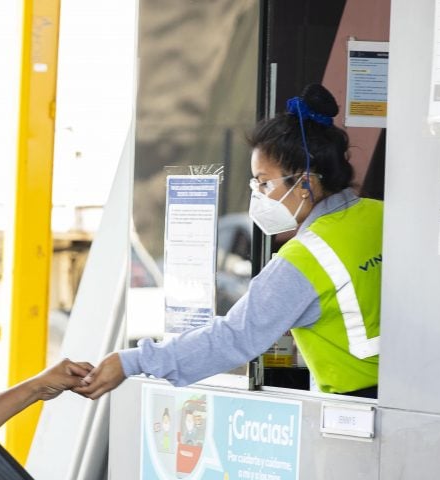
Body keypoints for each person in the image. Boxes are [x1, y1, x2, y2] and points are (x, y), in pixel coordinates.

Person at [78, 83, 382, 400]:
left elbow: (234, 337)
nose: (258, 195)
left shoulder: (307, 257)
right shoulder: (386, 218)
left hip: (358, 411)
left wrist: (133, 361)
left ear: (304, 184)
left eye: (264, 183)